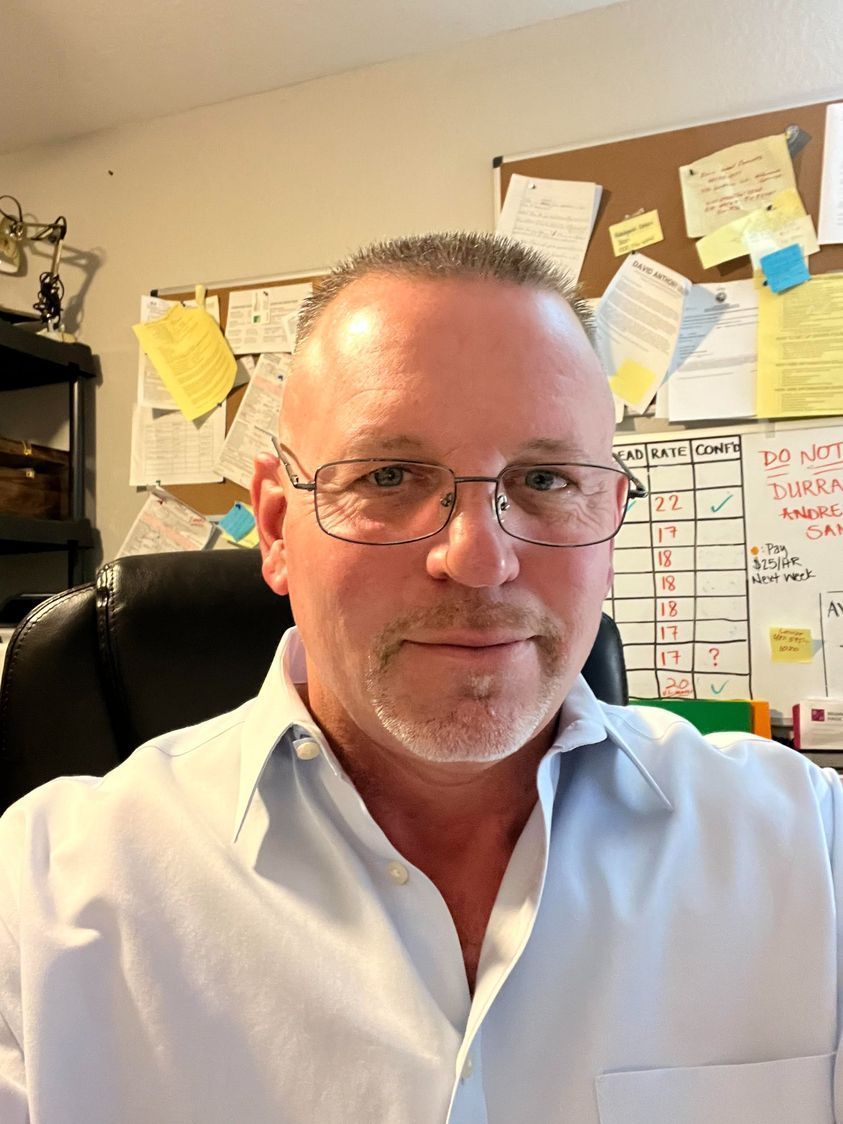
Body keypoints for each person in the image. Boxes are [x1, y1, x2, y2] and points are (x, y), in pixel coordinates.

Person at [0, 232, 841, 1123]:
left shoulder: (807, 852)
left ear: (611, 519)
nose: (478, 560)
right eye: (389, 475)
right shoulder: (43, 900)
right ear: (279, 532)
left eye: (547, 477)